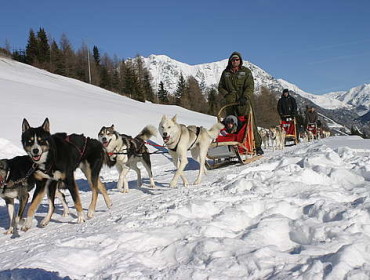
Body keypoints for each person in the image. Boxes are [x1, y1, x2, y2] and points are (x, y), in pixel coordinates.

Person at [218, 51, 264, 155]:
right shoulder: (225, 73)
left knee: (248, 123)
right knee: (231, 125)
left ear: (240, 61)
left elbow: (250, 86)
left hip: (243, 103)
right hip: (230, 103)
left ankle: (257, 146)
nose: (235, 61)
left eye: (237, 60)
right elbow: (220, 87)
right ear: (230, 61)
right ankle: (233, 146)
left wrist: (245, 97)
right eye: (233, 60)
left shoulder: (246, 72)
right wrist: (226, 95)